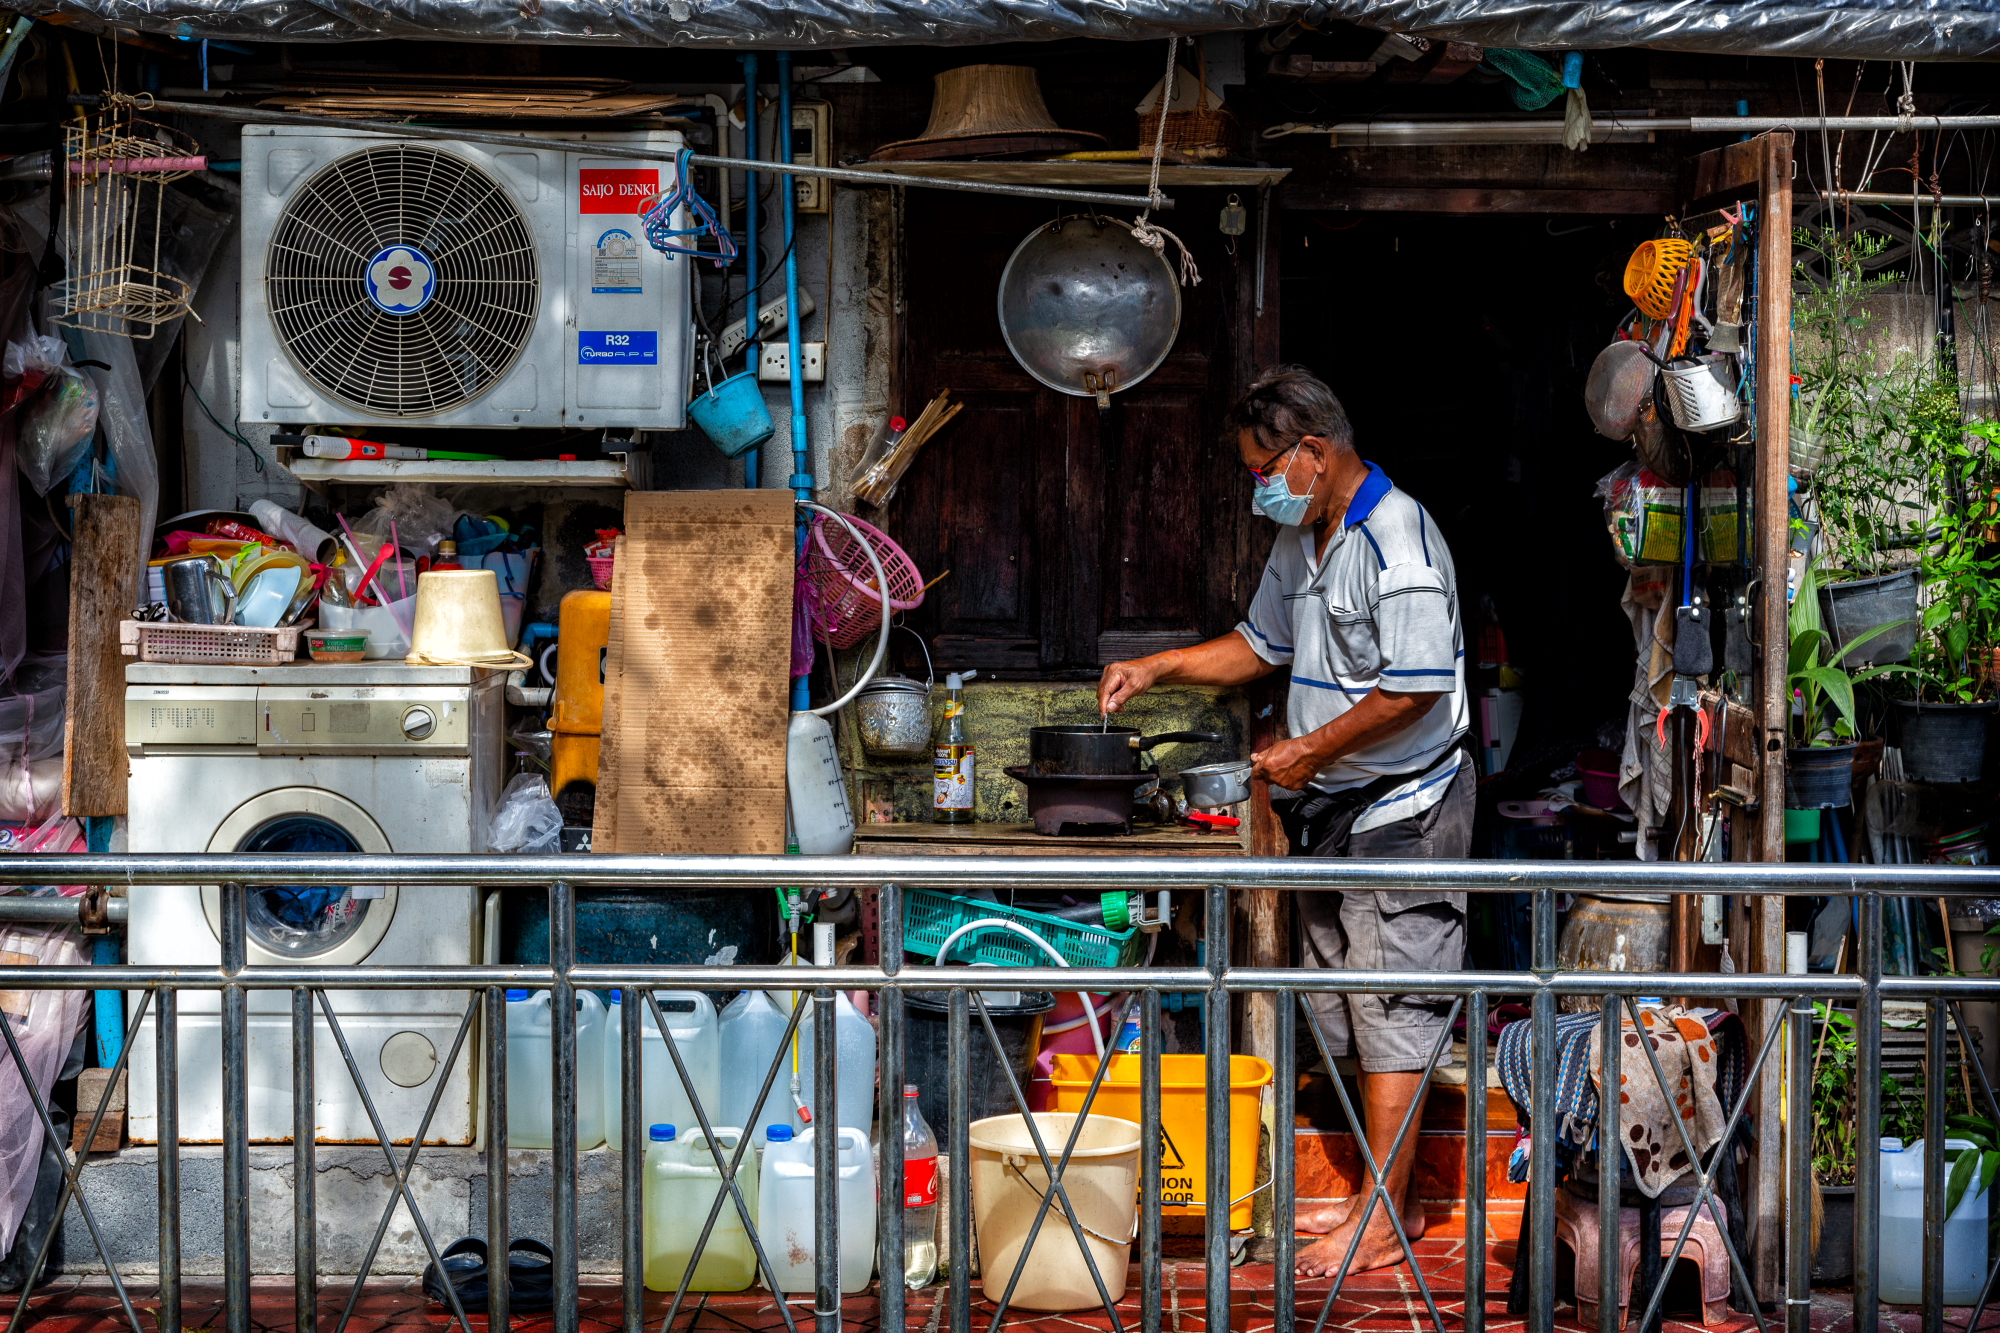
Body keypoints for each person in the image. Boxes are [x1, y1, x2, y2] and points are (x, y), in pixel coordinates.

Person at [1097, 365, 1472, 1278]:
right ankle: (1392, 1196)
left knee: (1391, 1008)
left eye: (1264, 464)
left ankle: (1384, 1213)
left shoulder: (1400, 540)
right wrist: (1159, 667)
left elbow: (1416, 690)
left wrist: (1311, 750)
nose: (1257, 483)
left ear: (1314, 450)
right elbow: (1259, 646)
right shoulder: (1305, 539)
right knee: (1345, 1010)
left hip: (1403, 807)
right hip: (1332, 808)